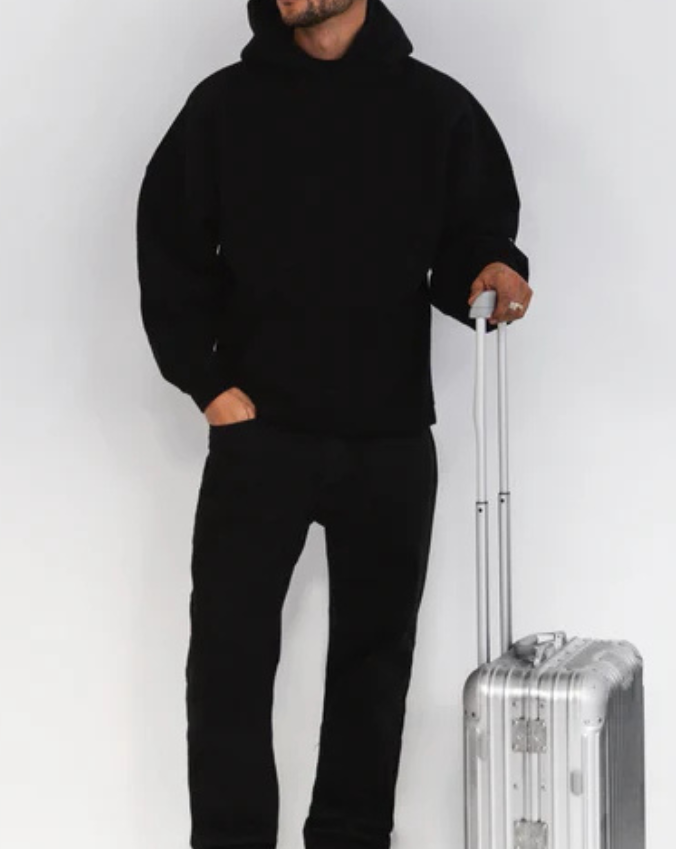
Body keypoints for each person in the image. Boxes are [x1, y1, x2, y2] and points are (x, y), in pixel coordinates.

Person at [135, 1, 533, 848]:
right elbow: (169, 246)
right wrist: (210, 386)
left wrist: (493, 269)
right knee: (230, 668)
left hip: (389, 437)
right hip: (259, 436)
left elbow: (470, 242)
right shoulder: (225, 107)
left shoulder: (434, 108)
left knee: (373, 670)